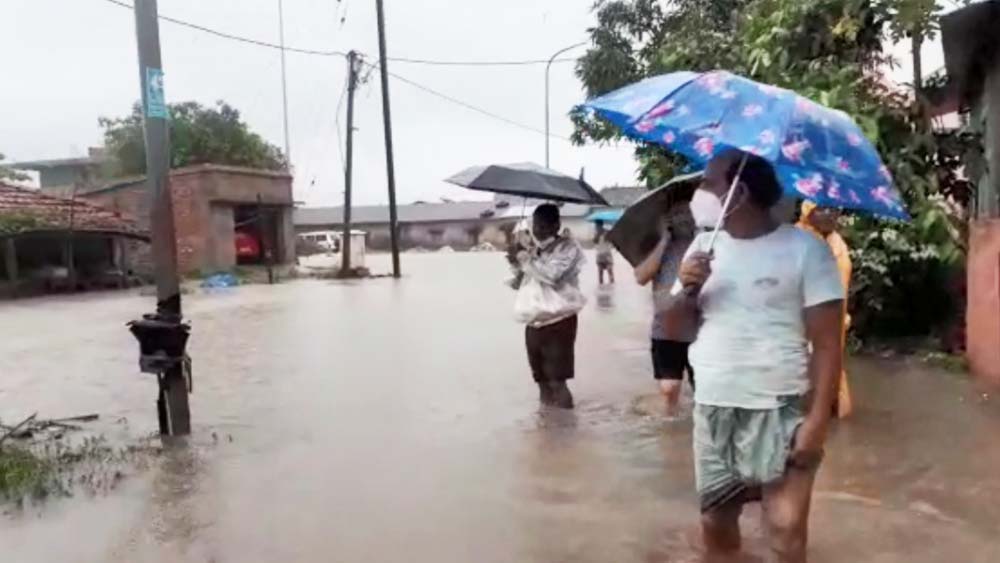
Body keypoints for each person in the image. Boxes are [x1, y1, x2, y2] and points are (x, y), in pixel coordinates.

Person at [663, 151, 843, 563]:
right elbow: (674, 331)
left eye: (709, 184)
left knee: (786, 532)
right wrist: (688, 289)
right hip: (713, 407)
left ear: (738, 192)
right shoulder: (703, 248)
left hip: (780, 407)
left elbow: (829, 344)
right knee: (717, 528)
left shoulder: (806, 251)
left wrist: (816, 422)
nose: (699, 192)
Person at [508, 204, 585, 409]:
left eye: (543, 226)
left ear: (556, 225)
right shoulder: (534, 249)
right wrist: (515, 262)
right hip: (534, 321)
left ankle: (567, 429)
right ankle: (547, 427)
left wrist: (526, 259)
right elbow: (518, 284)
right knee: (540, 380)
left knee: (557, 380)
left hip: (559, 320)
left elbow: (552, 276)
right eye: (535, 225)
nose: (538, 231)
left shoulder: (568, 248)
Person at [633, 204, 697, 416]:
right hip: (666, 326)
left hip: (701, 326)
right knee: (669, 389)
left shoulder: (706, 242)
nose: (682, 219)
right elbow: (641, 277)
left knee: (703, 389)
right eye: (677, 214)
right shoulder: (656, 246)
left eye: (687, 213)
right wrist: (663, 240)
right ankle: (671, 434)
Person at [796, 201, 853, 418]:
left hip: (832, 318)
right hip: (799, 320)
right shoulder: (796, 240)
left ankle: (830, 413)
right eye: (822, 209)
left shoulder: (837, 243)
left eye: (834, 209)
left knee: (831, 366)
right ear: (808, 212)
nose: (830, 214)